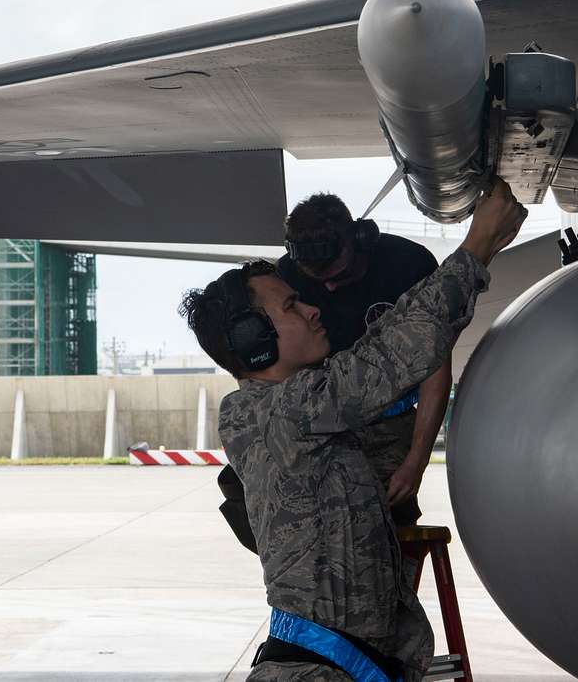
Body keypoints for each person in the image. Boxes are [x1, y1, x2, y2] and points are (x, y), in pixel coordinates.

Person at [179, 178, 526, 681]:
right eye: (292, 307)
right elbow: (388, 356)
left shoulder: (295, 405)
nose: (314, 306)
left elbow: (384, 340)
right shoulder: (282, 411)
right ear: (254, 339)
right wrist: (477, 247)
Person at [277, 194, 450, 528]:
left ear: (361, 238)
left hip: (391, 421)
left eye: (339, 276)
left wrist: (416, 461)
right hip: (320, 424)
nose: (328, 287)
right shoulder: (287, 276)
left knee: (391, 528)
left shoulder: (408, 266)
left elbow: (436, 368)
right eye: (318, 279)